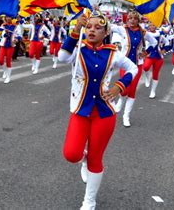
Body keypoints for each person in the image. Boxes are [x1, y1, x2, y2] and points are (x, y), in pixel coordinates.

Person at [58, 11, 138, 210]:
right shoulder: (78, 49)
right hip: (80, 110)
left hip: (104, 113)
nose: (92, 30)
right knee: (71, 154)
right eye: (89, 26)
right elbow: (61, 57)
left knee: (96, 158)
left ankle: (89, 201)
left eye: (97, 28)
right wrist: (75, 31)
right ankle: (83, 158)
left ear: (106, 33)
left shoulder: (113, 53)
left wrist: (119, 86)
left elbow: (133, 68)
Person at [111, 10, 156, 127]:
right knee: (124, 89)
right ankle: (121, 99)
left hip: (137, 65)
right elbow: (109, 26)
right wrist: (96, 12)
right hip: (125, 64)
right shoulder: (122, 29)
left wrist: (146, 52)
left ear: (138, 21)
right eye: (130, 18)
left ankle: (126, 116)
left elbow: (154, 42)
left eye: (135, 19)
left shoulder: (143, 32)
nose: (132, 20)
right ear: (127, 19)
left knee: (132, 91)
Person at [143, 23, 169, 98]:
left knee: (155, 74)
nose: (152, 26)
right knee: (146, 67)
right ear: (148, 26)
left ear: (156, 26)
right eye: (150, 25)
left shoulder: (160, 34)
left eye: (153, 25)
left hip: (158, 56)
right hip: (149, 55)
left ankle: (153, 91)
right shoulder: (145, 34)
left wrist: (164, 50)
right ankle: (147, 76)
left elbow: (167, 42)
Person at [0, 16, 21, 84]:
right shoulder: (3, 26)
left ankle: (8, 77)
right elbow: (0, 35)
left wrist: (16, 40)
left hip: (11, 45)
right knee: (0, 60)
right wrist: (5, 33)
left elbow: (19, 36)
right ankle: (5, 71)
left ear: (12, 18)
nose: (8, 18)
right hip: (3, 44)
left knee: (8, 61)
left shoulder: (17, 26)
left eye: (9, 17)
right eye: (7, 17)